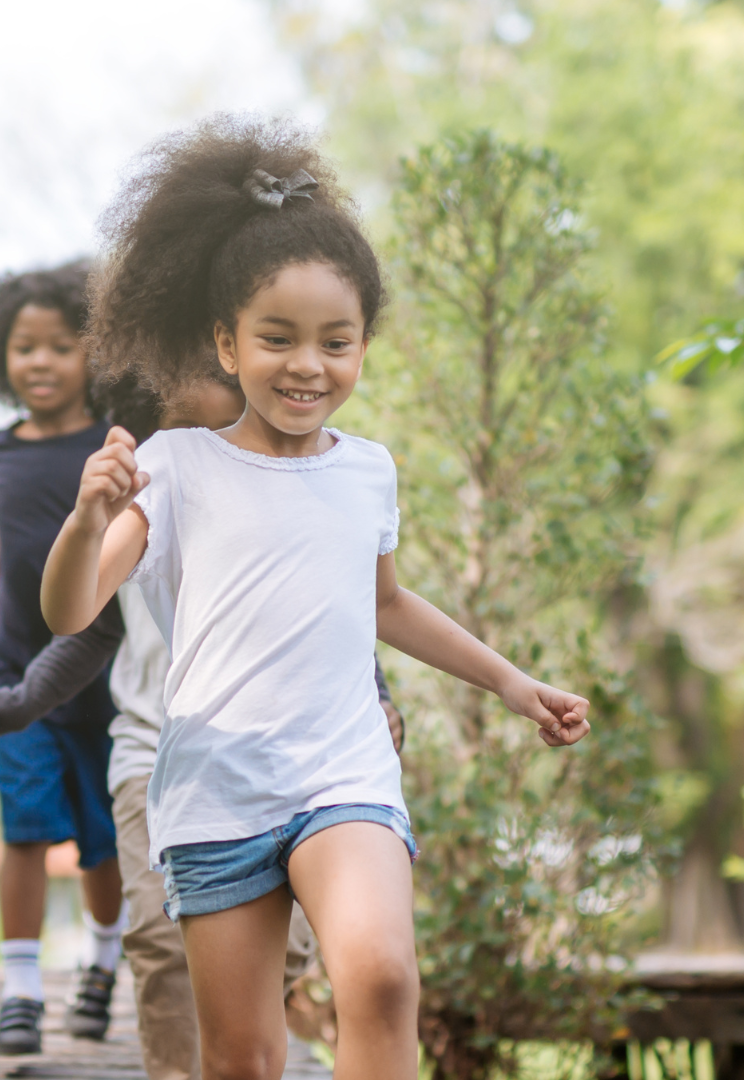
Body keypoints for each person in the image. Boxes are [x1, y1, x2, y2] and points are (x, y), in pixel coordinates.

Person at [41, 115, 590, 1080]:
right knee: (245, 1060)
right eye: (277, 338)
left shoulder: (369, 471)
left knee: (378, 978)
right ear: (225, 341)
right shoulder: (175, 466)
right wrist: (89, 518)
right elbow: (70, 610)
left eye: (336, 342)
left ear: (364, 345)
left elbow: (387, 605)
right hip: (216, 789)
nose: (308, 365)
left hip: (343, 771)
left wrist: (512, 683)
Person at [0, 369, 403, 1079]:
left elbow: (339, 614)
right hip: (157, 756)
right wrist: (19, 704)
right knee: (159, 939)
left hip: (294, 771)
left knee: (290, 960)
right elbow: (82, 630)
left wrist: (380, 695)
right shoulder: (152, 499)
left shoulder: (311, 487)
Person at [0, 263, 125, 1054]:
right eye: (23, 347)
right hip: (12, 679)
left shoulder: (112, 451)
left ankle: (102, 964)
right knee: (24, 828)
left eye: (60, 345)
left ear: (95, 354)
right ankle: (17, 989)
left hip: (102, 682)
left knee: (101, 835)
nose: (40, 362)